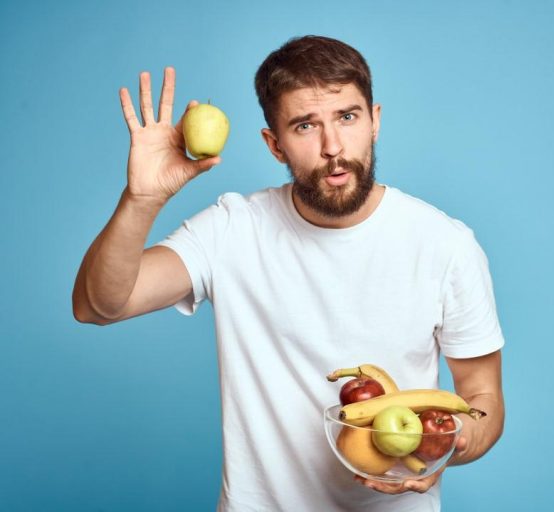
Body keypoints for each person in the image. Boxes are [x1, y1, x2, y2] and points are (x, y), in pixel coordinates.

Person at [73, 35, 505, 511]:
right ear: (274, 145)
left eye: (347, 116)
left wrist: (447, 445)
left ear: (375, 120)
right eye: (305, 126)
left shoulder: (445, 243)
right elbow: (98, 305)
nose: (332, 147)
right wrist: (141, 200)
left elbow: (482, 395)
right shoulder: (232, 229)